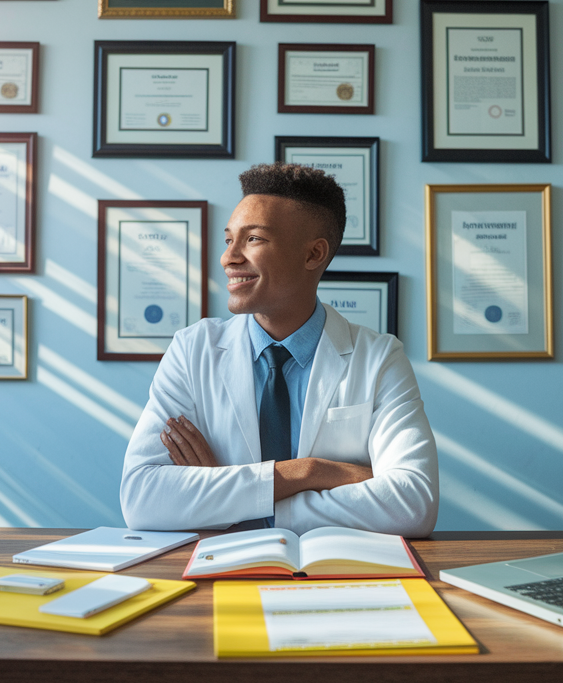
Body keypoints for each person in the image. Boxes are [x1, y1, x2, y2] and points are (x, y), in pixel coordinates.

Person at [119, 163, 439, 537]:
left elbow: (413, 505)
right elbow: (142, 500)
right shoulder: (193, 351)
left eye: (253, 239)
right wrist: (310, 472)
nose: (228, 258)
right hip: (223, 572)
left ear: (313, 255)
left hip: (336, 579)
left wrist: (227, 494)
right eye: (228, 240)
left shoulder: (380, 358)